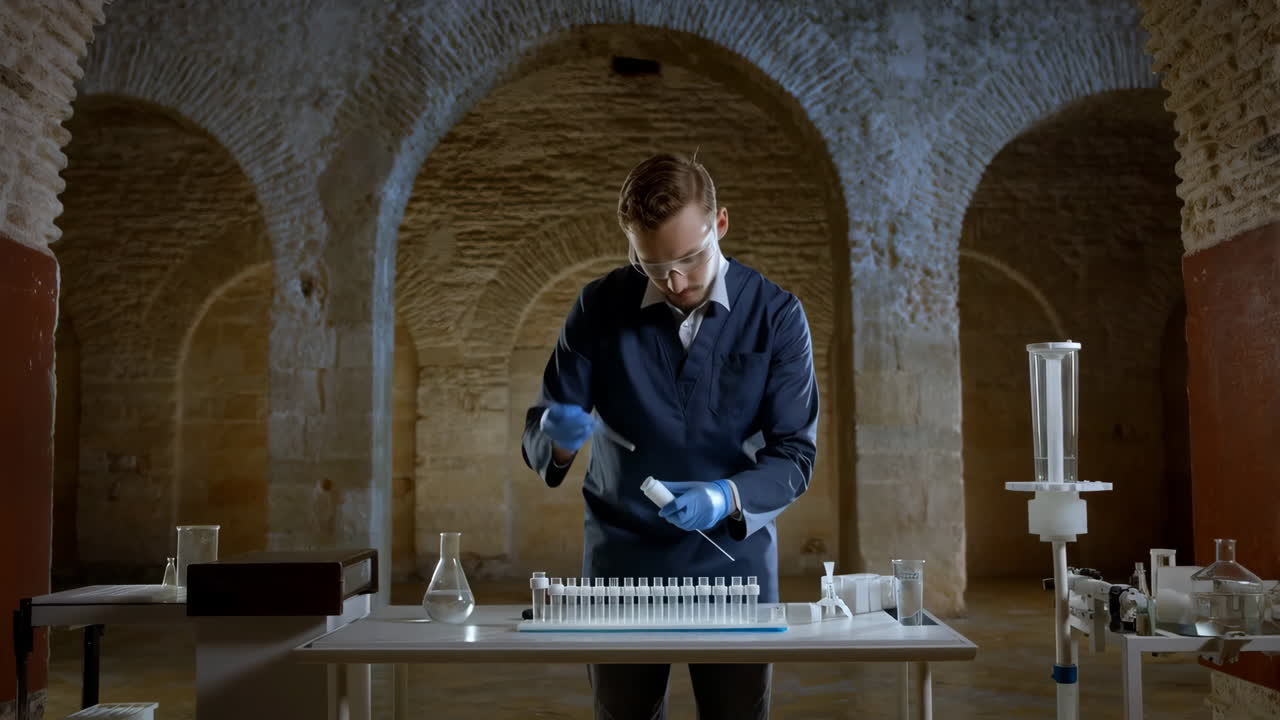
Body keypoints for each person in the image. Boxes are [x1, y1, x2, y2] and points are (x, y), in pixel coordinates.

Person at [521, 152, 819, 720]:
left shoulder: (778, 315)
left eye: (689, 258)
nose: (675, 281)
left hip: (734, 568)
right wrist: (557, 436)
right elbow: (542, 433)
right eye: (653, 265)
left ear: (721, 224)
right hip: (620, 565)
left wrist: (725, 496)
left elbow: (795, 456)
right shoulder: (599, 306)